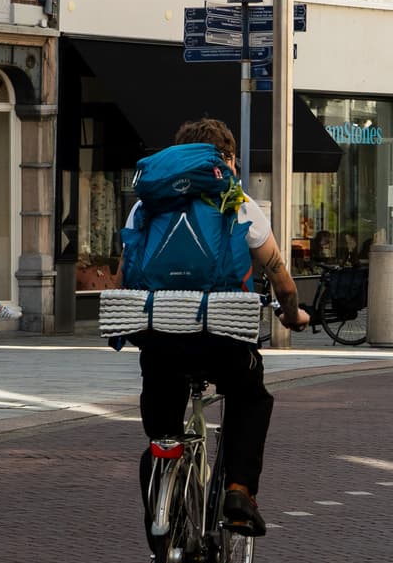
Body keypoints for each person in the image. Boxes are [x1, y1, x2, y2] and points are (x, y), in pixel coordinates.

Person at [127, 118, 309, 539]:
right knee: (251, 396)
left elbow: (126, 276)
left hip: (160, 340)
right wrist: (293, 315)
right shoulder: (238, 201)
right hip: (222, 337)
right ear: (225, 158)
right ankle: (240, 491)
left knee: (162, 429)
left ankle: (162, 505)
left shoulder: (146, 205)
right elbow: (282, 283)